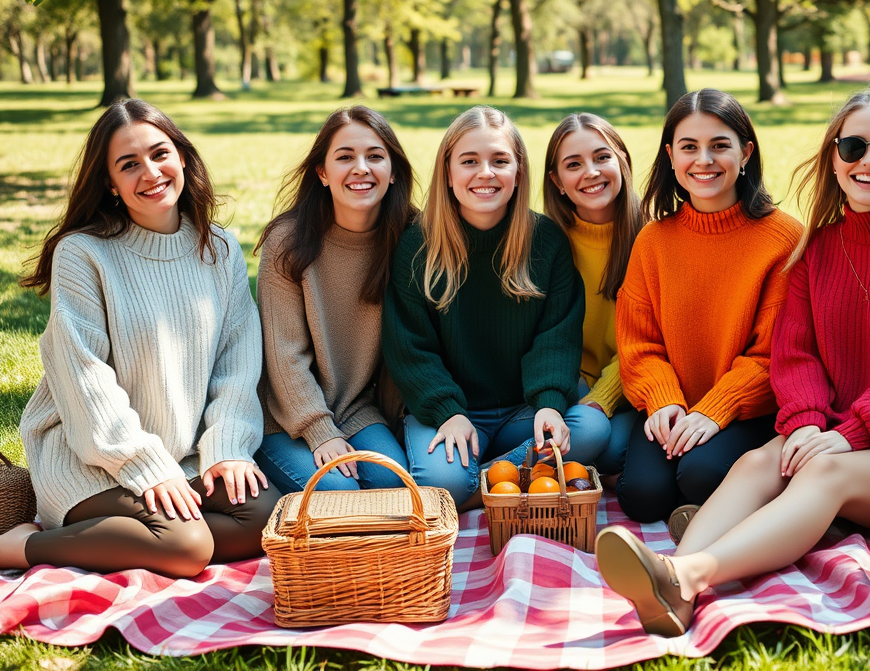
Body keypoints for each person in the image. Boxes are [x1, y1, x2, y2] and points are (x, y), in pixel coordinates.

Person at [596, 87, 870, 637]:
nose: (867, 161)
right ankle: (670, 587)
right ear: (832, 156)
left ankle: (687, 573)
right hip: (836, 434)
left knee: (821, 470)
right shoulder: (819, 247)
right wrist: (810, 422)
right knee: (759, 463)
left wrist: (851, 432)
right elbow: (795, 355)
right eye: (853, 146)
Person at [0, 99, 280, 578]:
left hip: (183, 452)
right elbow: (85, 381)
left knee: (265, 517)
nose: (150, 172)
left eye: (160, 153)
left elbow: (238, 362)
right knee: (186, 545)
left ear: (183, 158)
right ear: (110, 183)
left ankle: (130, 537)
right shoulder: (83, 254)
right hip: (92, 457)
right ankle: (23, 546)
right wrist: (145, 467)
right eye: (129, 165)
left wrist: (227, 448)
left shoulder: (219, 249)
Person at [383, 105, 610, 508]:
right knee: (444, 482)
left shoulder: (545, 240)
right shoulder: (418, 244)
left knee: (590, 428)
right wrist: (447, 410)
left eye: (500, 161)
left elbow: (556, 335)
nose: (485, 173)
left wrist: (549, 406)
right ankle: (505, 480)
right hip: (447, 411)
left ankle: (489, 480)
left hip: (521, 411)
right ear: (448, 172)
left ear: (518, 172)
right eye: (469, 161)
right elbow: (409, 346)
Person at [613, 89, 802, 525]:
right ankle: (705, 514)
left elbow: (773, 354)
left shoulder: (783, 239)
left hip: (745, 409)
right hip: (673, 405)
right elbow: (638, 343)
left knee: (701, 474)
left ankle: (714, 509)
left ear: (746, 152)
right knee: (642, 496)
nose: (704, 160)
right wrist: (662, 401)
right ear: (670, 156)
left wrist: (715, 410)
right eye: (689, 147)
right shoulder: (654, 240)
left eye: (719, 145)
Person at [253, 107, 414, 493]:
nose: (361, 168)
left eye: (375, 156)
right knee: (338, 495)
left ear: (393, 172)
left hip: (356, 408)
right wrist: (319, 431)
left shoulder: (408, 237)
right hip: (283, 416)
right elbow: (283, 354)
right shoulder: (287, 243)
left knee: (392, 483)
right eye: (345, 157)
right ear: (322, 173)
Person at [543, 113, 645, 477]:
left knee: (612, 452)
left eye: (602, 157)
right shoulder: (546, 242)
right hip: (568, 381)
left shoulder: (651, 236)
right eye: (574, 164)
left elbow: (651, 340)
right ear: (556, 181)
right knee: (589, 441)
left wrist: (602, 398)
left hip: (632, 383)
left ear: (622, 160)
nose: (591, 172)